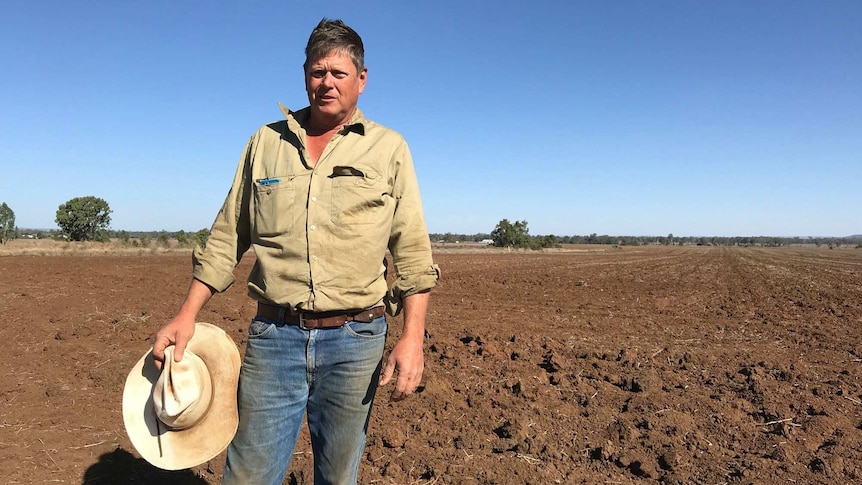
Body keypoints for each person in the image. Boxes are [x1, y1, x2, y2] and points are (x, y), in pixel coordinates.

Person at [151, 18, 439, 485]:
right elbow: (229, 233)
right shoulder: (265, 143)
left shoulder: (389, 149)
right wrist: (187, 312)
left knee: (337, 475)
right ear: (305, 74)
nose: (327, 83)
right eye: (317, 72)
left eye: (339, 73)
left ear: (361, 80)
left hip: (356, 341)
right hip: (275, 337)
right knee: (247, 475)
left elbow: (411, 250)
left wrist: (412, 338)